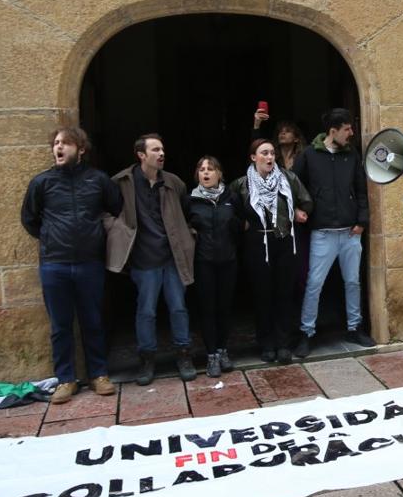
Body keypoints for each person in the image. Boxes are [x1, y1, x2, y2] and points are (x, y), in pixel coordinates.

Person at [21, 127, 122, 405]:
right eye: (55, 143)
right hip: (55, 264)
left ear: (81, 149)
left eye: (65, 143)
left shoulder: (98, 180)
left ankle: (99, 374)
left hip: (90, 263)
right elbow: (29, 219)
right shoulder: (42, 183)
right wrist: (53, 238)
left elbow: (117, 206)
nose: (59, 148)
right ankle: (65, 379)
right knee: (60, 325)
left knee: (92, 321)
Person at [107, 134, 197, 385]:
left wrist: (189, 235)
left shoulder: (173, 182)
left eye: (162, 149)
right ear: (141, 155)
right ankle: (147, 360)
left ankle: (184, 354)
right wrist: (116, 230)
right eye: (155, 150)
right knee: (146, 311)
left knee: (178, 307)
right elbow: (104, 210)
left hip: (172, 257)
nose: (161, 154)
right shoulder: (122, 182)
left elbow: (188, 213)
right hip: (144, 259)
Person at [292, 108, 374, 357]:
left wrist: (361, 221)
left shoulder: (352, 156)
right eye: (347, 128)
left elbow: (361, 190)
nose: (351, 133)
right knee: (314, 284)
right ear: (333, 131)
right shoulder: (309, 155)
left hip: (350, 232)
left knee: (352, 282)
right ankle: (306, 333)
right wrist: (297, 208)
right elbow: (293, 183)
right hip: (323, 232)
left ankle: (354, 328)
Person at [232, 138, 313, 364]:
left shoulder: (288, 178)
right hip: (257, 244)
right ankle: (266, 343)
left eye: (271, 153)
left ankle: (283, 344)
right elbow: (231, 211)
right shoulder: (241, 184)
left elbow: (307, 201)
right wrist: (242, 224)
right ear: (253, 157)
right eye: (264, 153)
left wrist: (298, 210)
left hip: (284, 240)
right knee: (262, 295)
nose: (269, 157)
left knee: (284, 294)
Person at [187, 156, 243, 377]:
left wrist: (234, 227)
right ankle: (211, 355)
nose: (206, 173)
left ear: (220, 174)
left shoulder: (232, 198)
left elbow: (242, 227)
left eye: (211, 169)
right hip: (204, 262)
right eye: (202, 169)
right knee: (207, 309)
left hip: (228, 261)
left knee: (224, 308)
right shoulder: (190, 201)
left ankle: (223, 350)